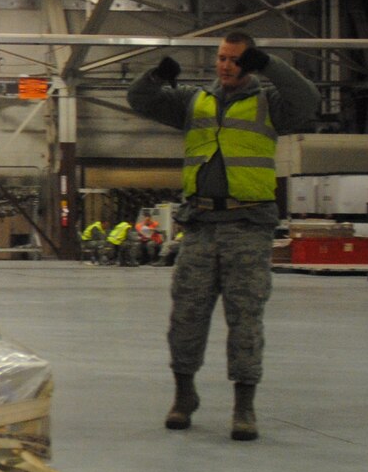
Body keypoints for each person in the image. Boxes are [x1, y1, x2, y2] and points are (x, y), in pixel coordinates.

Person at [127, 33, 318, 439]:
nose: (225, 65)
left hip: (247, 227)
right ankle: (184, 395)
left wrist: (270, 66)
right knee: (186, 316)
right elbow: (139, 100)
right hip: (199, 227)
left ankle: (244, 407)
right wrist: (157, 76)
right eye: (221, 58)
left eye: (234, 59)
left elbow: (307, 101)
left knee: (245, 318)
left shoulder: (270, 105)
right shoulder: (194, 102)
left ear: (249, 63)